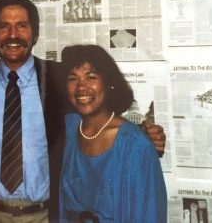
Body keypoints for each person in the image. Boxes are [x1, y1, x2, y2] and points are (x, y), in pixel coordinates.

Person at [0, 0, 166, 223]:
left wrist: (143, 133)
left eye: (22, 26)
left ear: (35, 33)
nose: (13, 35)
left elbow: (95, 115)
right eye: (4, 26)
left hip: (47, 215)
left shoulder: (60, 77)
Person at [59, 44, 167, 222]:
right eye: (72, 78)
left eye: (91, 77)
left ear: (109, 84)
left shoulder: (136, 146)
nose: (81, 87)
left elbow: (150, 215)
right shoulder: (67, 130)